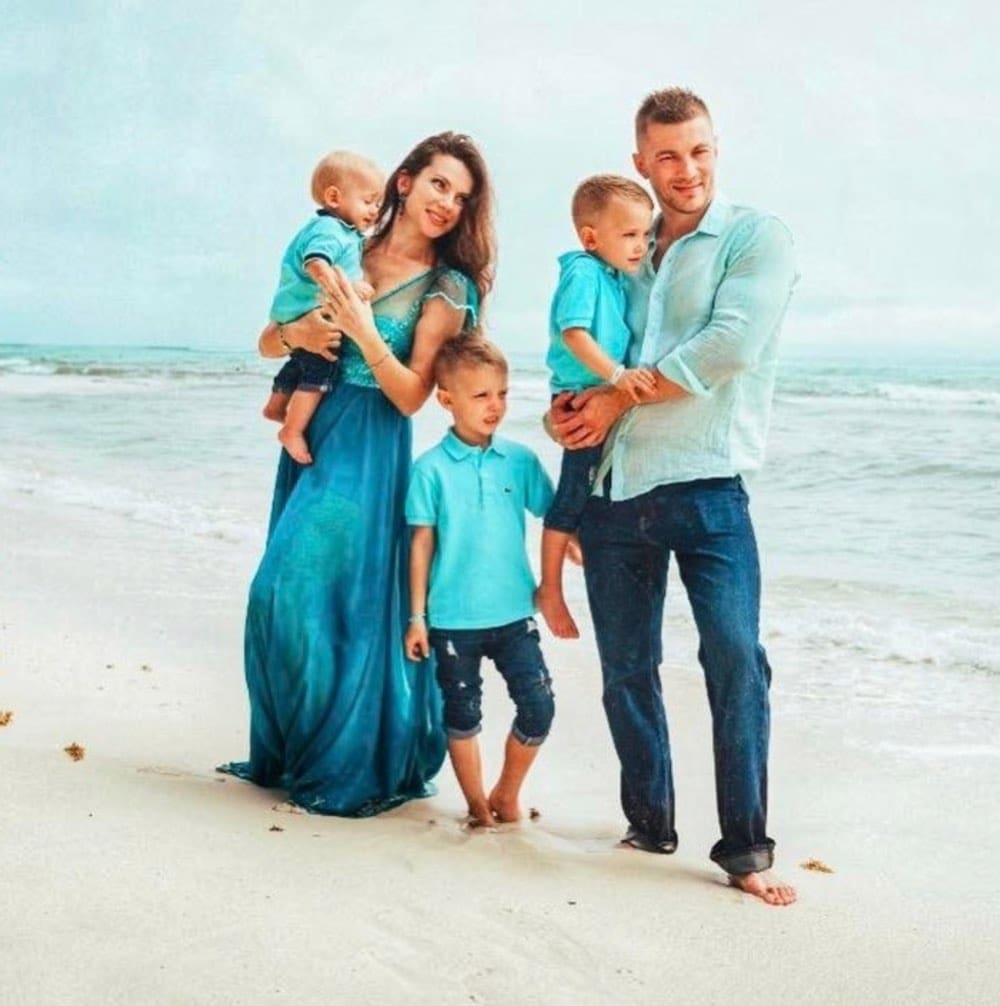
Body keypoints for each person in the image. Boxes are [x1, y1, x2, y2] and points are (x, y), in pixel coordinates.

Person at [550, 88, 799, 905]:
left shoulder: (755, 237)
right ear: (640, 164)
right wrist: (572, 411)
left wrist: (617, 398)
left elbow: (730, 345)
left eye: (697, 151)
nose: (684, 170)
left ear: (716, 148)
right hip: (615, 490)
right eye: (666, 156)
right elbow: (588, 348)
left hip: (707, 483)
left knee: (735, 660)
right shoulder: (627, 249)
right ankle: (649, 824)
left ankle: (746, 852)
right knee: (625, 670)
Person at [219, 132, 496, 817]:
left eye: (460, 199)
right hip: (311, 432)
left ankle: (340, 757)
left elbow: (411, 395)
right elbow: (266, 336)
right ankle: (293, 753)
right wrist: (300, 336)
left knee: (284, 589)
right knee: (304, 602)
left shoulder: (446, 286)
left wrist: (361, 327)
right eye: (438, 185)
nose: (447, 204)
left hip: (370, 443)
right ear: (404, 182)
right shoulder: (342, 245)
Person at [404, 338, 556, 827]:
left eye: (503, 393)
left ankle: (506, 793)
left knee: (539, 707)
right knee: (463, 713)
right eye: (481, 396)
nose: (496, 406)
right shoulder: (429, 469)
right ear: (446, 399)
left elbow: (556, 521)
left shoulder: (520, 460)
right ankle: (475, 807)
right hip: (452, 621)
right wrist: (417, 618)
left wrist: (584, 552)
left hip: (515, 613)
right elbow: (421, 546)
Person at [535, 175, 656, 641]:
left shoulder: (614, 277)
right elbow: (574, 333)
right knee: (571, 493)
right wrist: (618, 377)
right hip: (581, 396)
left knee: (586, 492)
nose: (640, 246)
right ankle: (550, 589)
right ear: (590, 238)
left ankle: (576, 536)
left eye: (645, 235)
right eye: (629, 235)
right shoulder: (583, 273)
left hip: (599, 392)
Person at [262, 150, 384, 465]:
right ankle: (292, 429)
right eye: (369, 201)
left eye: (378, 204)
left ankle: (276, 405)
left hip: (294, 312)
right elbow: (316, 263)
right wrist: (346, 288)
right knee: (322, 368)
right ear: (333, 197)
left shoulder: (342, 232)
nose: (375, 210)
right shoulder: (330, 230)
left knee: (302, 361)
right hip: (306, 309)